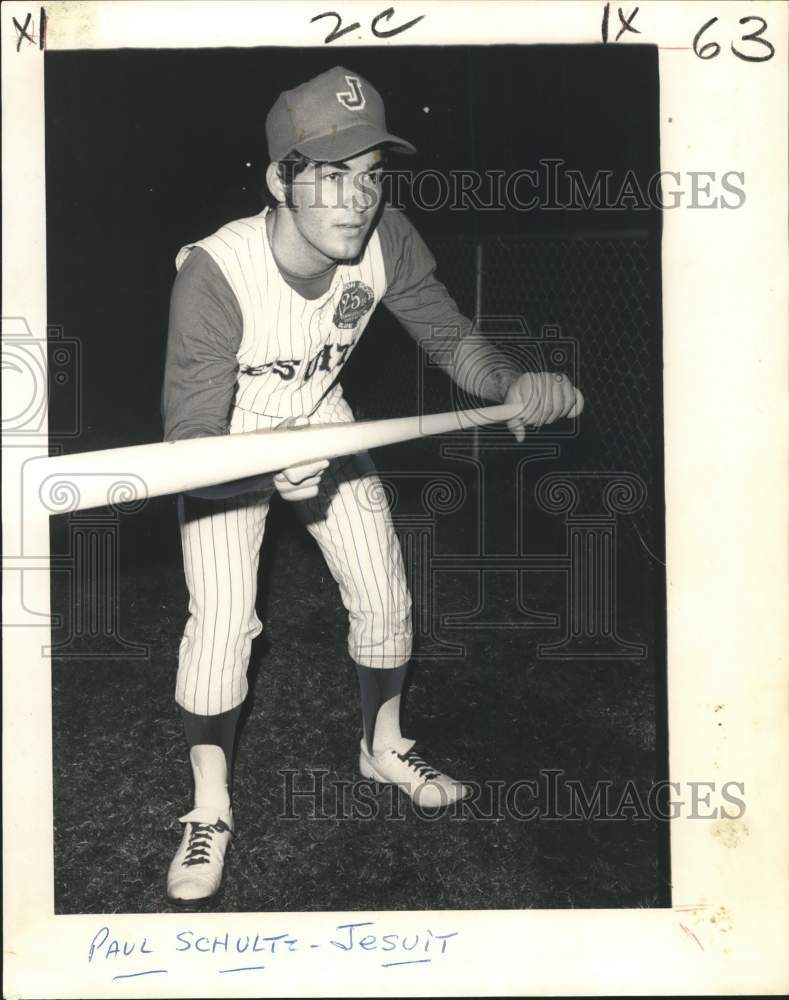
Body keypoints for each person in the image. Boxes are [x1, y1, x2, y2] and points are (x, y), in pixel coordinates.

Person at [161, 65, 583, 903]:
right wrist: (260, 464)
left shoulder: (383, 235)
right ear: (281, 178)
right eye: (330, 176)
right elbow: (188, 448)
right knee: (221, 627)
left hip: (329, 420)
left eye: (370, 176)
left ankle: (382, 744)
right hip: (225, 445)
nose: (357, 199)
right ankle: (209, 806)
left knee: (385, 596)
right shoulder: (214, 274)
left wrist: (509, 384)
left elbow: (447, 332)